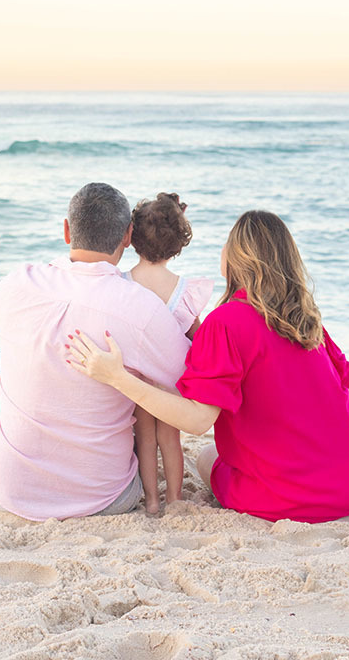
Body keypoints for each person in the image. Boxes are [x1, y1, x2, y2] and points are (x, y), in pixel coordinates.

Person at [66, 210, 349, 523]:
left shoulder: (225, 322)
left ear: (234, 258)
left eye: (227, 243)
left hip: (291, 496)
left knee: (208, 456)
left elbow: (197, 420)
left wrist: (117, 377)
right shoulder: (304, 318)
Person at [0, 183, 190, 520]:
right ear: (127, 236)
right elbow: (189, 376)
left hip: (6, 492)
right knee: (142, 375)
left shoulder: (16, 284)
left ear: (66, 230)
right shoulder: (141, 307)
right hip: (106, 497)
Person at [123, 192, 214, 513]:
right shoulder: (183, 290)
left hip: (137, 380)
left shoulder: (122, 284)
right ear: (177, 244)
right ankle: (174, 498)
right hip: (173, 381)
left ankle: (150, 501)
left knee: (144, 440)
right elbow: (200, 337)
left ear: (132, 238)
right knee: (170, 439)